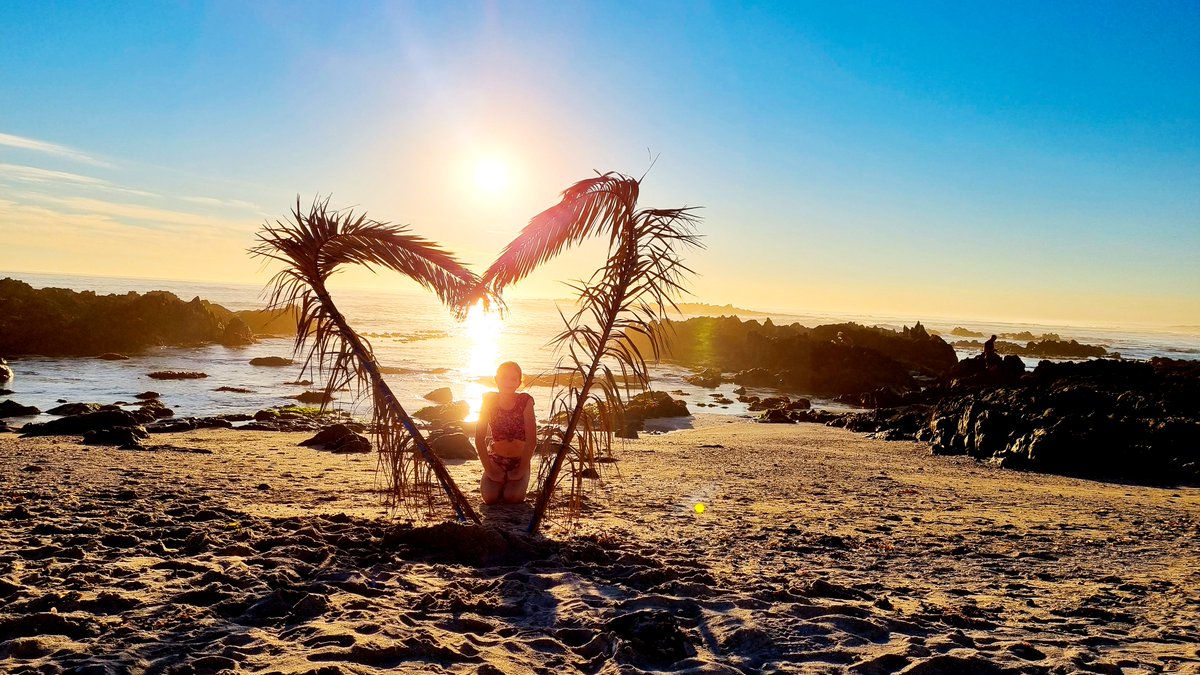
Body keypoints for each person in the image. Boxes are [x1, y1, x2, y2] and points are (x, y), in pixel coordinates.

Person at [474, 361, 537, 505]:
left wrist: (521, 470)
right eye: (503, 377)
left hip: (520, 461)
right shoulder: (489, 400)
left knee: (512, 497)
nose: (508, 382)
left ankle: (517, 479)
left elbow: (532, 440)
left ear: (519, 382)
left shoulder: (525, 401)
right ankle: (498, 480)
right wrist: (489, 470)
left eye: (513, 379)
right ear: (496, 379)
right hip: (496, 460)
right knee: (490, 498)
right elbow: (479, 439)